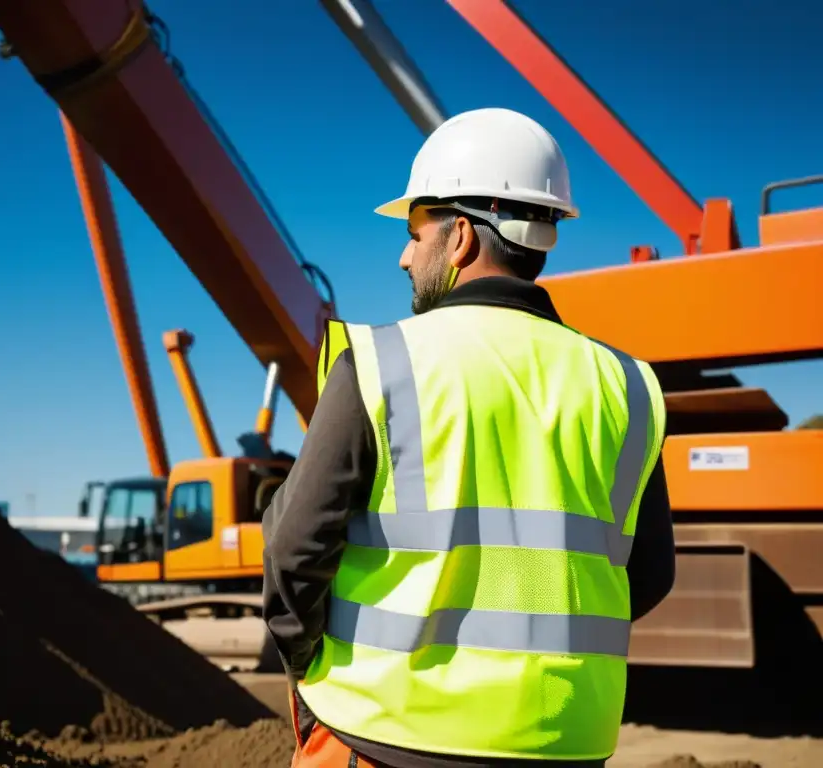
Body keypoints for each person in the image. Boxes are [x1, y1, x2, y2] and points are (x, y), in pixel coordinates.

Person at [262, 107, 676, 768]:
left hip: (385, 737)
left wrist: (308, 677)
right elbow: (648, 575)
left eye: (414, 229)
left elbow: (292, 550)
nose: (404, 254)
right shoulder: (626, 385)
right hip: (565, 745)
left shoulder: (380, 363)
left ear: (458, 236)